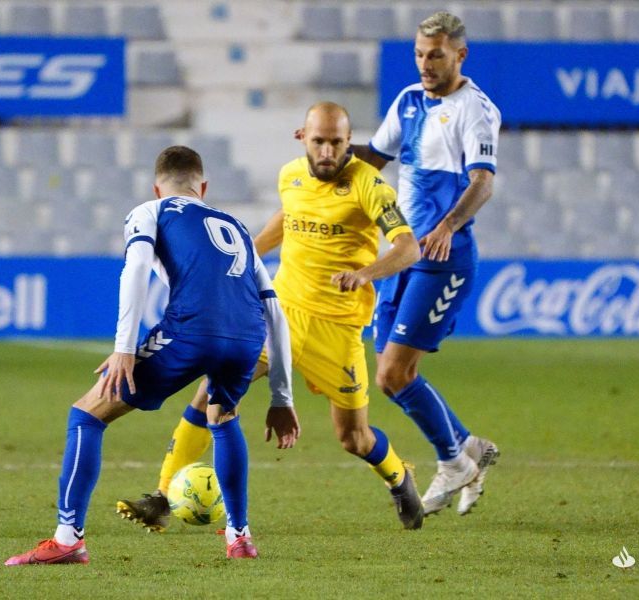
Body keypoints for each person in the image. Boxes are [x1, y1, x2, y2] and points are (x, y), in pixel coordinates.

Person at [116, 102, 426, 532]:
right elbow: (285, 224)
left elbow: (409, 247)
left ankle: (398, 475)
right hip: (280, 313)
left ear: (348, 141)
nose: (327, 151)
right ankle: (163, 495)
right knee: (210, 396)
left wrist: (364, 274)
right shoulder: (291, 177)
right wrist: (243, 259)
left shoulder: (370, 186)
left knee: (353, 438)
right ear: (303, 137)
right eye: (319, 141)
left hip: (337, 329)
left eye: (337, 142)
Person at [4, 146, 299, 564]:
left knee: (86, 414)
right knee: (223, 416)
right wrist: (282, 398)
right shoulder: (234, 225)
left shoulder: (151, 210)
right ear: (204, 187)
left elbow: (136, 267)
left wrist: (124, 348)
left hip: (193, 328)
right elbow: (275, 311)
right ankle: (240, 537)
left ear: (157, 186)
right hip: (247, 338)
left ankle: (68, 539)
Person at [348, 11, 502, 517]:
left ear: (460, 54)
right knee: (390, 377)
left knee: (394, 371)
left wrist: (447, 226)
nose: (424, 63)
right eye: (418, 53)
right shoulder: (409, 101)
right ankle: (467, 448)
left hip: (442, 256)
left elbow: (483, 181)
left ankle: (452, 460)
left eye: (435, 54)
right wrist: (323, 156)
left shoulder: (476, 110)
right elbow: (372, 157)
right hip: (400, 254)